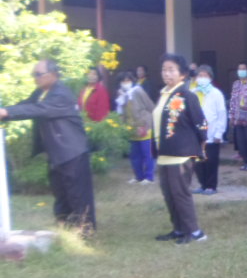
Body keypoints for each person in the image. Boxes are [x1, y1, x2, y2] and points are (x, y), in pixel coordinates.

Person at [0, 59, 96, 232]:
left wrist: (6, 112)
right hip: (56, 152)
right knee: (60, 191)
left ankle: (85, 230)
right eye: (33, 74)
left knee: (77, 193)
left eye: (38, 74)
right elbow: (26, 105)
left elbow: (38, 110)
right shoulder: (41, 92)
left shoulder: (61, 94)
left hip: (72, 151)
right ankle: (64, 227)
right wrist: (6, 112)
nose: (34, 78)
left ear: (52, 75)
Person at [153, 53, 208, 245]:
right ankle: (178, 228)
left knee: (180, 193)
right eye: (164, 69)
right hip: (164, 153)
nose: (166, 73)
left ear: (182, 74)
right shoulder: (163, 94)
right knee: (169, 194)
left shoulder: (187, 95)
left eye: (171, 70)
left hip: (181, 153)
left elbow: (201, 124)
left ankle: (194, 232)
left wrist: (200, 146)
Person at [192, 65, 227, 196]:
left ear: (210, 78)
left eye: (205, 76)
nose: (202, 78)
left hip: (212, 133)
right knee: (198, 162)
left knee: (210, 161)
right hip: (196, 134)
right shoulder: (193, 93)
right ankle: (202, 184)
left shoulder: (216, 93)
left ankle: (211, 186)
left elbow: (221, 114)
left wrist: (219, 133)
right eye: (200, 76)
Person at [115, 70, 155, 184]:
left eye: (128, 80)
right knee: (134, 155)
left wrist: (146, 122)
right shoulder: (122, 95)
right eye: (123, 81)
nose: (125, 83)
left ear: (132, 81)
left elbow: (150, 106)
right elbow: (121, 113)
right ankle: (138, 176)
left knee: (146, 153)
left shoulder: (138, 91)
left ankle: (149, 177)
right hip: (131, 128)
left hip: (143, 126)